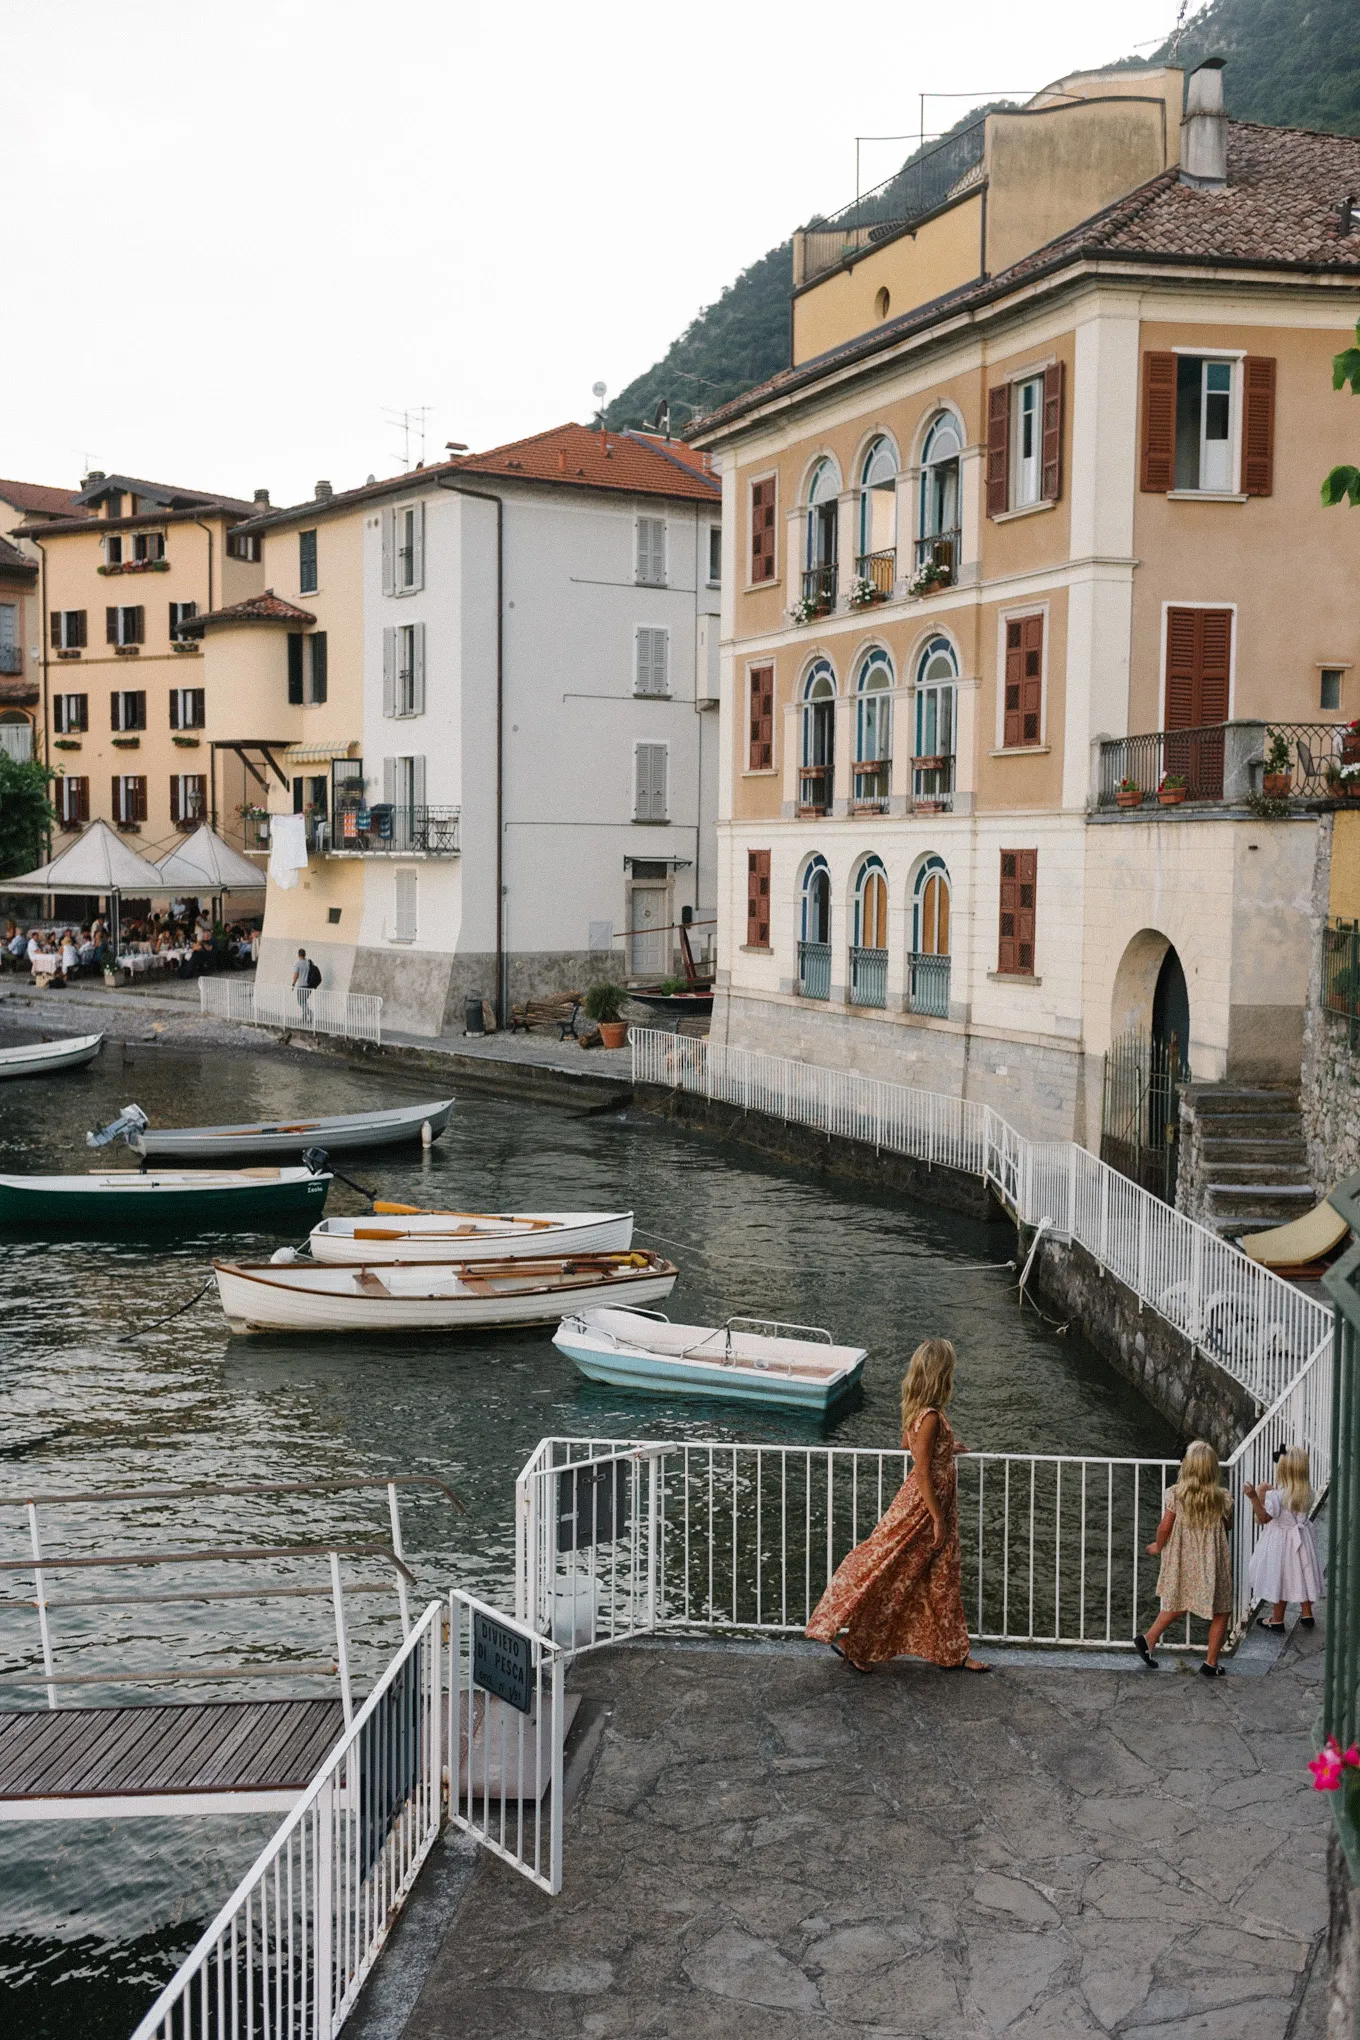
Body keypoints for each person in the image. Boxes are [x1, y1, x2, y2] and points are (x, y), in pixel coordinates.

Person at [805, 1337, 989, 1674]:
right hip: (924, 1509)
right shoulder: (930, 1416)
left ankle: (952, 1653)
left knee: (930, 1575)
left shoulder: (921, 1412)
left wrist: (946, 1449)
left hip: (923, 1506)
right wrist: (936, 1518)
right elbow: (921, 1473)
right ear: (941, 1374)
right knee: (902, 1573)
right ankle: (854, 1642)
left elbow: (910, 1444)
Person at [1136, 1440, 1234, 1676]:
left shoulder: (1175, 1494)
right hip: (1212, 1561)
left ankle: (1149, 1639)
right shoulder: (1222, 1497)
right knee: (1221, 1609)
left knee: (1180, 1599)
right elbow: (1227, 1525)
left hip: (1184, 1558)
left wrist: (1158, 1546)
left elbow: (1164, 1526)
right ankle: (1211, 1662)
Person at [1246, 1445, 1322, 1632]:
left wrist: (1253, 1496)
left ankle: (1277, 1619)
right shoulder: (1308, 1493)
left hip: (1280, 1542)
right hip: (1301, 1538)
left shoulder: (1275, 1496)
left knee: (1280, 1578)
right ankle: (1306, 1613)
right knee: (1303, 1572)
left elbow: (1263, 1518)